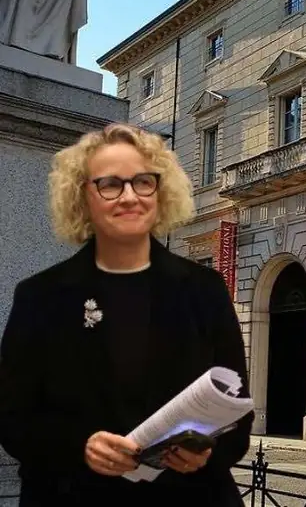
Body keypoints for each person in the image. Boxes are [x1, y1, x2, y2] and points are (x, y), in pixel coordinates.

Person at [0, 123, 254, 506]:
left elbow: (238, 417)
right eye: (110, 185)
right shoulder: (39, 296)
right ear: (83, 197)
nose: (130, 197)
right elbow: (12, 419)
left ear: (160, 193)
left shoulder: (205, 289)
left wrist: (208, 452)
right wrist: (80, 446)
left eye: (143, 182)